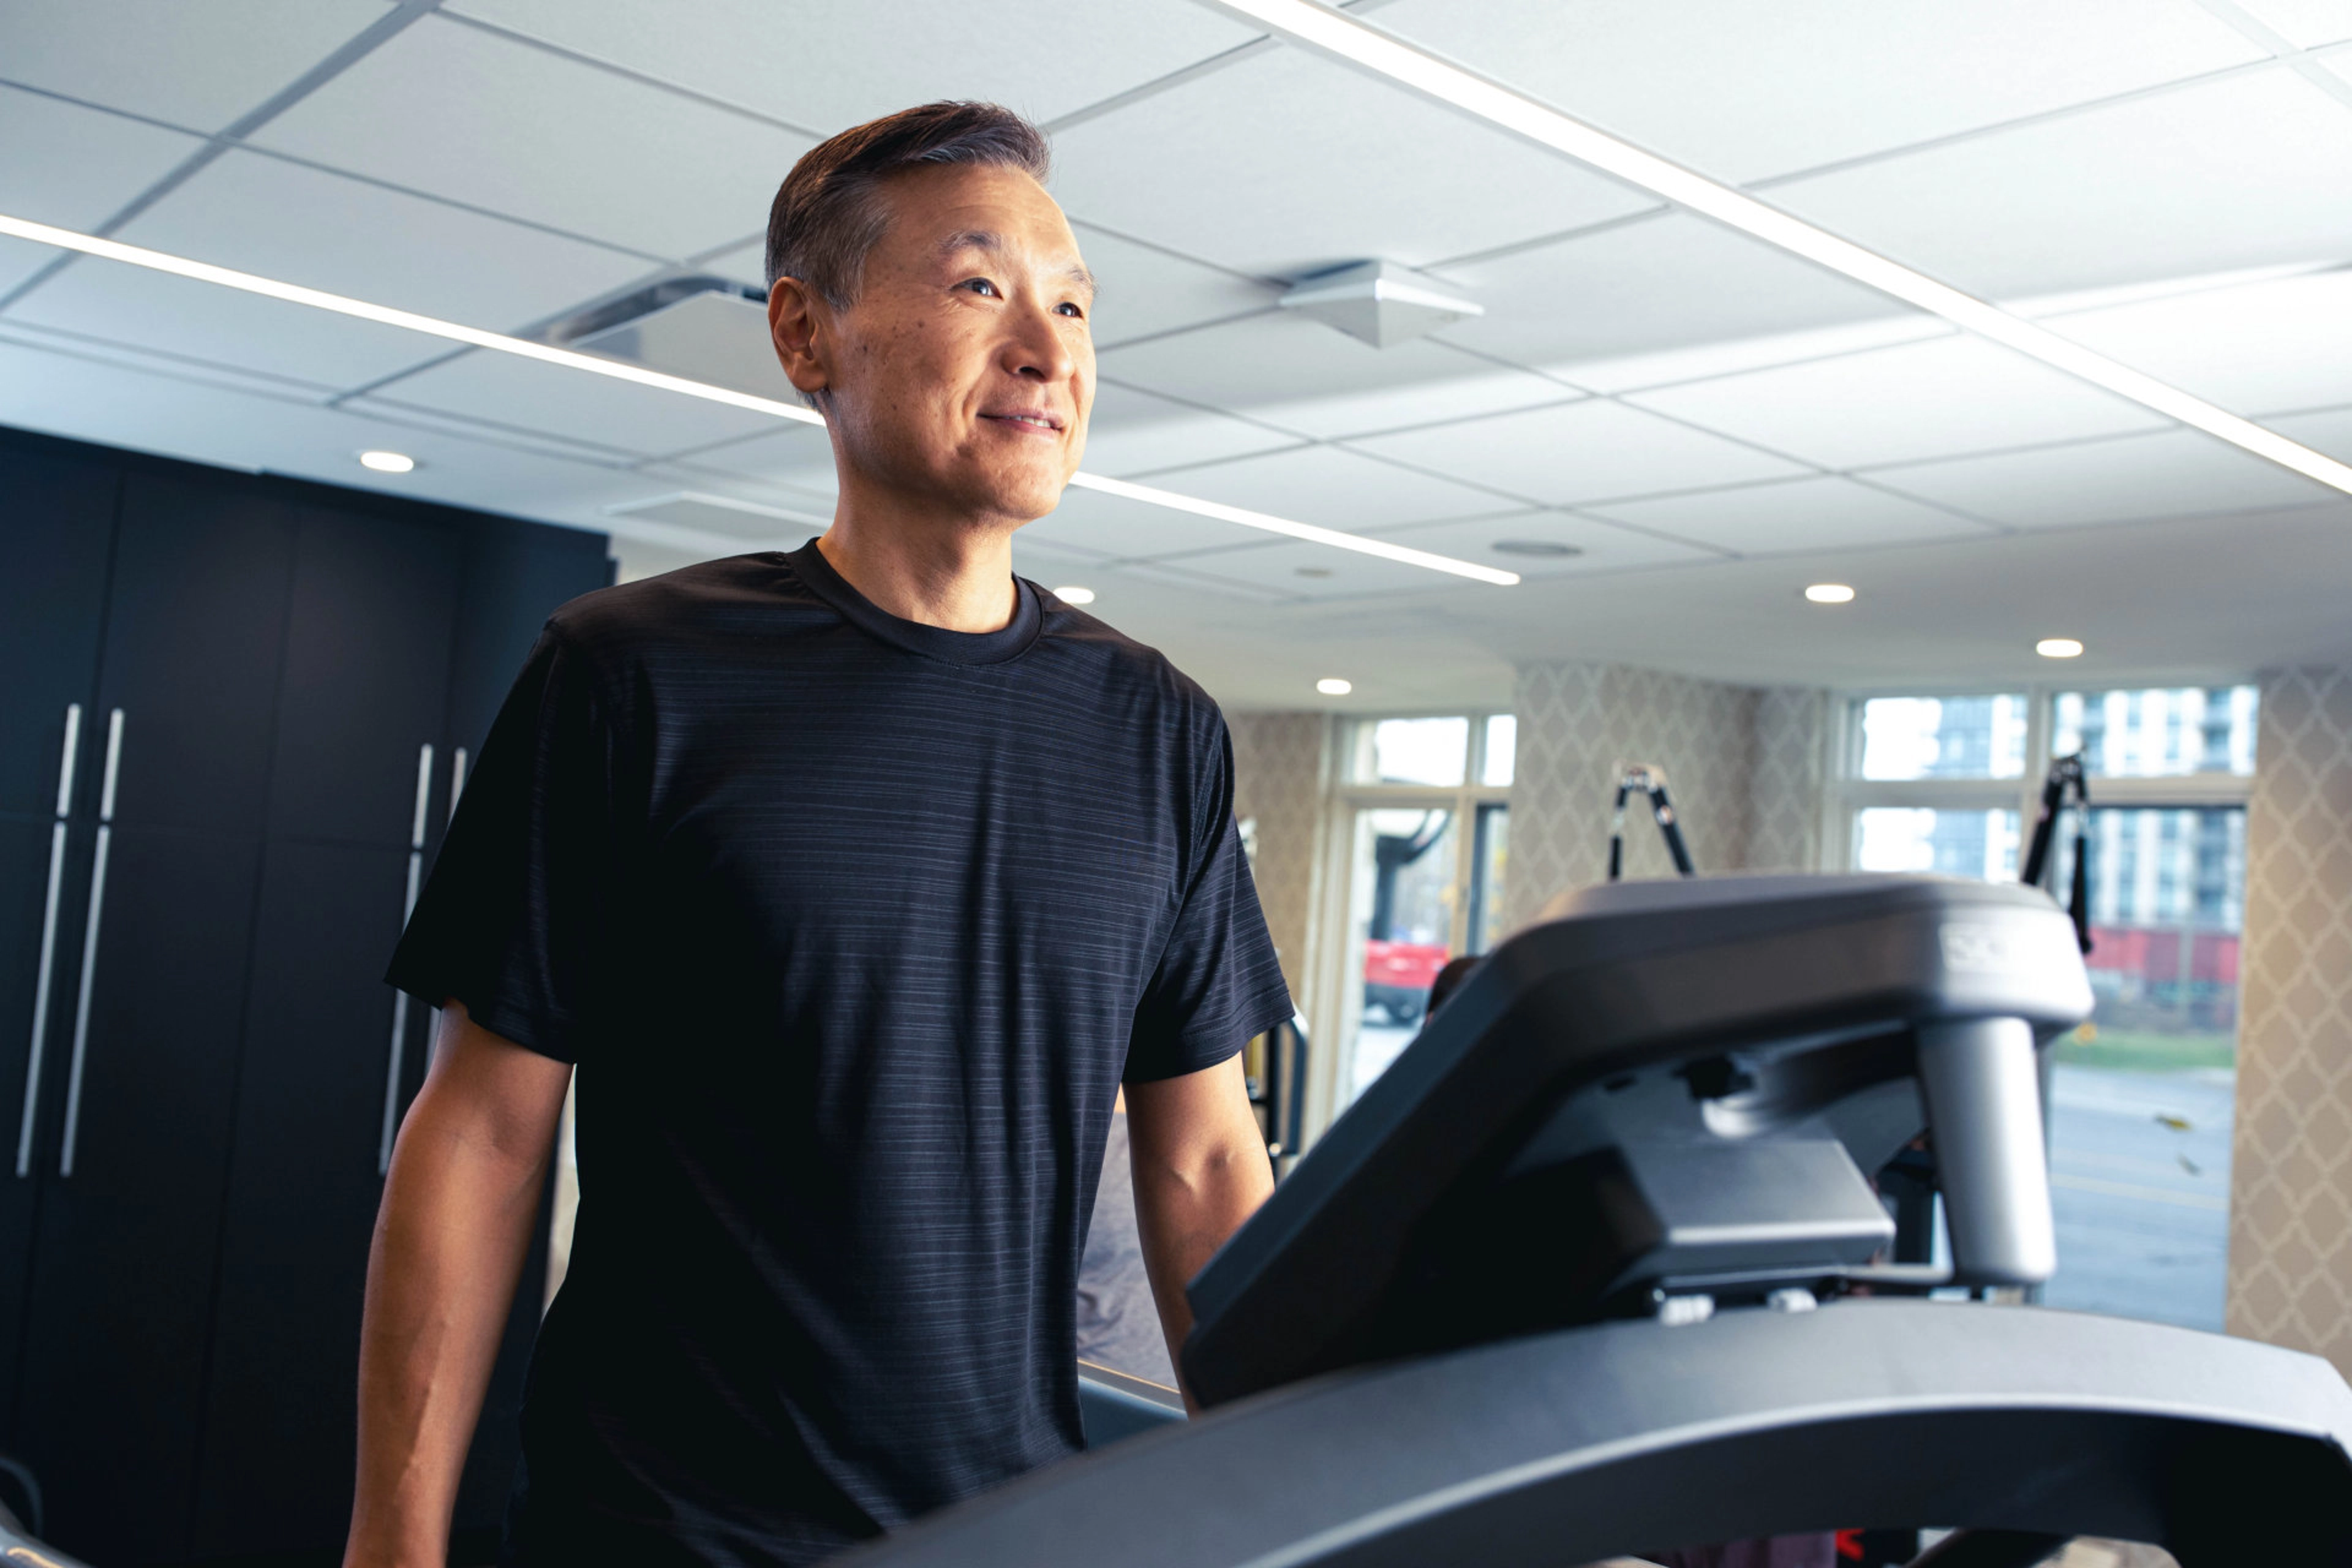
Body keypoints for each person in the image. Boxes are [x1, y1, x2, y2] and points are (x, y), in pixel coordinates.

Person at [344, 102, 1291, 1567]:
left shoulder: (1161, 731)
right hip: (658, 1530)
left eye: (1076, 304)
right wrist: (392, 1546)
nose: (1049, 348)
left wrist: (1305, 1513)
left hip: (1009, 1532)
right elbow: (479, 1132)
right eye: (983, 287)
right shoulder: (632, 674)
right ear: (807, 335)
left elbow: (1206, 1162)